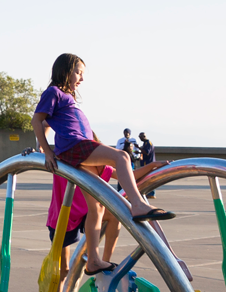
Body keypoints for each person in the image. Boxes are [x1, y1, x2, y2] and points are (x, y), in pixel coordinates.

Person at [32, 53, 173, 276]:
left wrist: (152, 167)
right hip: (74, 146)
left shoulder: (65, 98)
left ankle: (94, 261)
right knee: (122, 156)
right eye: (78, 72)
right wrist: (46, 150)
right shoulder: (54, 92)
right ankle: (137, 204)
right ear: (65, 71)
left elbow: (47, 121)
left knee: (96, 207)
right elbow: (37, 119)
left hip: (76, 148)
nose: (81, 78)